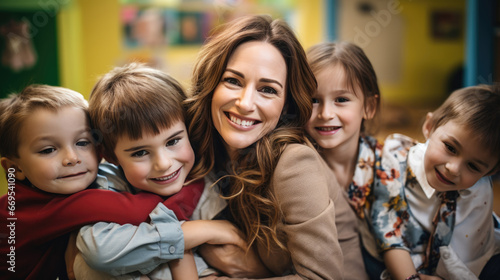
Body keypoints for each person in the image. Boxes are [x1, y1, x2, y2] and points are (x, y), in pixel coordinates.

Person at [184, 15, 354, 279]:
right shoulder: (197, 145)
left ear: (286, 104)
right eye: (233, 81)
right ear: (211, 84)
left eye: (268, 90)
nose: (245, 103)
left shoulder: (294, 164)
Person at [71, 63, 246, 280]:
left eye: (173, 141)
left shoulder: (206, 181)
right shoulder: (108, 184)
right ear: (112, 156)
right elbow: (100, 252)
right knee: (86, 268)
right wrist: (203, 231)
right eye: (140, 153)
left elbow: (242, 259)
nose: (163, 164)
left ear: (189, 130)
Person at [0, 85, 185, 279]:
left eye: (82, 142)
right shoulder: (45, 208)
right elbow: (143, 207)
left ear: (99, 150)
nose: (72, 158)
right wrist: (194, 185)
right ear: (15, 168)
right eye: (48, 150)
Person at [370, 84, 500, 280]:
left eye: (473, 167)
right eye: (450, 147)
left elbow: (473, 254)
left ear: (490, 171)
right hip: (400, 254)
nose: (453, 169)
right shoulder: (394, 162)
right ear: (429, 127)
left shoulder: (480, 189)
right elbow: (388, 232)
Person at [305, 41, 380, 280]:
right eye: (314, 100)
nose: (326, 113)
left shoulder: (393, 165)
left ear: (368, 106)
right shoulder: (297, 169)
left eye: (341, 100)